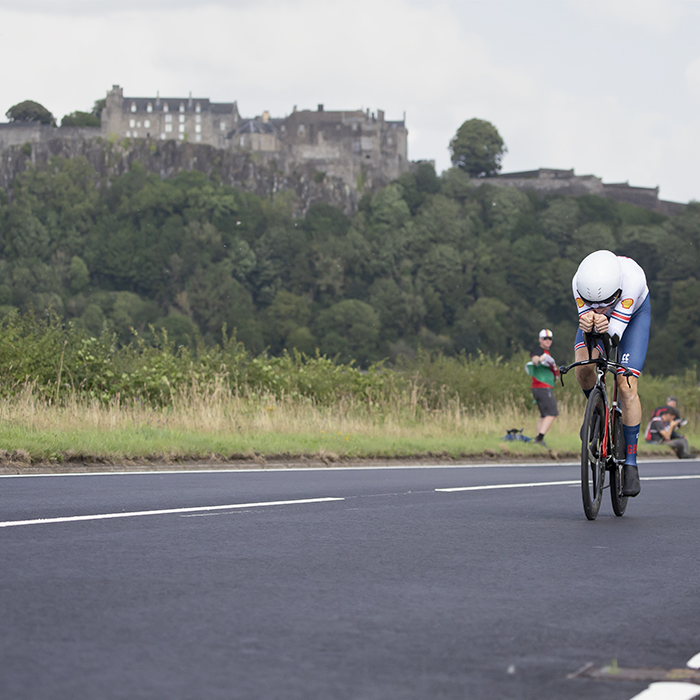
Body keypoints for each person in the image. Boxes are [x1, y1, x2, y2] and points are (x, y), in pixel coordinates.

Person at [572, 250, 651, 497]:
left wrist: (603, 324)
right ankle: (598, 411)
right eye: (591, 302)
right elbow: (588, 323)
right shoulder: (578, 282)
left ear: (616, 292)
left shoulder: (632, 280)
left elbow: (614, 336)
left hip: (632, 316)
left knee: (626, 385)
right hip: (601, 320)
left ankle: (630, 463)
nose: (597, 308)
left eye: (603, 302)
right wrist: (588, 318)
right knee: (583, 367)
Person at [526, 328, 559, 448]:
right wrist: (539, 359)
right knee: (552, 413)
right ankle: (540, 438)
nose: (548, 341)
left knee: (544, 415)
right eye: (545, 338)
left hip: (539, 388)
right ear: (540, 339)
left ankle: (537, 441)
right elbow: (534, 360)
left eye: (550, 339)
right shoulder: (540, 351)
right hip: (543, 387)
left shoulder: (547, 353)